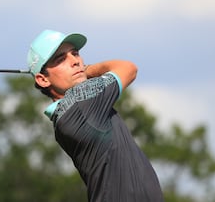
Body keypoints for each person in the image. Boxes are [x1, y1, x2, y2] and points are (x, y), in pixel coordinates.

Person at [27, 29, 164, 202]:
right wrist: (88, 69)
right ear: (43, 79)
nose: (75, 61)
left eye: (75, 54)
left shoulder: (65, 115)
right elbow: (128, 68)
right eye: (61, 59)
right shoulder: (82, 100)